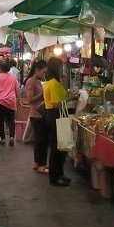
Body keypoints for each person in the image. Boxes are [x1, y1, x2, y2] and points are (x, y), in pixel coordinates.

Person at [42, 56, 71, 187]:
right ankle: (55, 177)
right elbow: (55, 104)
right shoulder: (53, 83)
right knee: (56, 147)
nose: (62, 69)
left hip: (53, 115)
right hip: (54, 115)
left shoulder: (52, 81)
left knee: (61, 146)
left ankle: (60, 174)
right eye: (61, 67)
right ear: (56, 68)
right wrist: (70, 99)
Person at [23, 60, 48, 173]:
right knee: (41, 141)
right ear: (37, 70)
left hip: (41, 114)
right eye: (43, 72)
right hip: (36, 114)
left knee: (40, 140)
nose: (44, 74)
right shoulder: (31, 81)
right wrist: (42, 95)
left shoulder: (38, 81)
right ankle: (41, 165)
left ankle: (37, 163)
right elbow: (29, 100)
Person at [0, 62, 19, 146]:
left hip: (0, 101)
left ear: (0, 69)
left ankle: (2, 139)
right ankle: (11, 137)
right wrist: (19, 100)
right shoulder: (13, 77)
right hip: (11, 101)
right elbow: (17, 90)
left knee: (0, 120)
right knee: (11, 120)